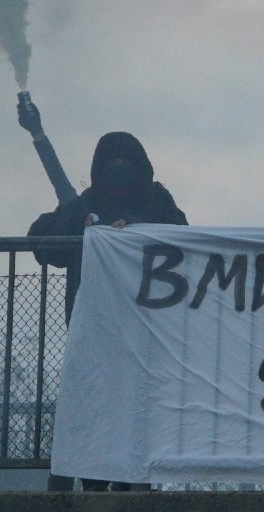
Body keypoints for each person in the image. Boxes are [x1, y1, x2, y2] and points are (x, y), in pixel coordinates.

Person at [28, 130, 188, 492]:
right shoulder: (86, 201)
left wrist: (134, 232)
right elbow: (41, 241)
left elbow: (181, 237)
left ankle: (134, 484)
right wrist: (79, 227)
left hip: (143, 328)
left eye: (127, 165)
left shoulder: (157, 200)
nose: (120, 172)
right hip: (94, 329)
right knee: (88, 407)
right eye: (112, 165)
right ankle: (86, 481)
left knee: (137, 411)